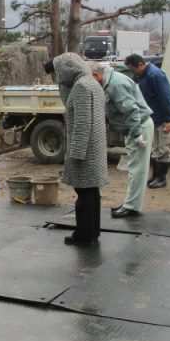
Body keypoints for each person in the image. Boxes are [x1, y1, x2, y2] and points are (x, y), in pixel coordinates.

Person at [45, 53, 108, 245]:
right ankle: (92, 231)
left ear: (68, 69)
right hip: (94, 148)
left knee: (84, 195)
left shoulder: (81, 87)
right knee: (92, 194)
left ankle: (83, 235)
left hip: (85, 151)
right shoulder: (92, 83)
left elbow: (82, 123)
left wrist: (76, 154)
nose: (60, 78)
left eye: (59, 73)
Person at [89, 62, 154, 218]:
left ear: (97, 75)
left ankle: (132, 207)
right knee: (135, 168)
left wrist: (137, 135)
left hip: (138, 127)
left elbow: (131, 110)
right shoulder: (112, 81)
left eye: (91, 80)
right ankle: (130, 203)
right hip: (136, 127)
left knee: (137, 169)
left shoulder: (115, 84)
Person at [123, 54, 170, 189]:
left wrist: (168, 119)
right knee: (156, 148)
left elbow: (165, 97)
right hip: (157, 117)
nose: (133, 72)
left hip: (164, 118)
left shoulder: (155, 75)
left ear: (140, 65)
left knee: (163, 148)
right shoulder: (144, 75)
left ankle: (161, 178)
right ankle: (156, 176)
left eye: (133, 69)